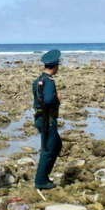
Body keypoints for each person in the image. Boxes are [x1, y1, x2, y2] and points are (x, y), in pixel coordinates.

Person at [33, 49, 63, 189]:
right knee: (48, 149)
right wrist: (57, 99)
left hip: (40, 116)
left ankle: (44, 176)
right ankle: (41, 180)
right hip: (47, 118)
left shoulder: (38, 80)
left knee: (56, 144)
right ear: (56, 66)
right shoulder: (49, 81)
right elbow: (49, 99)